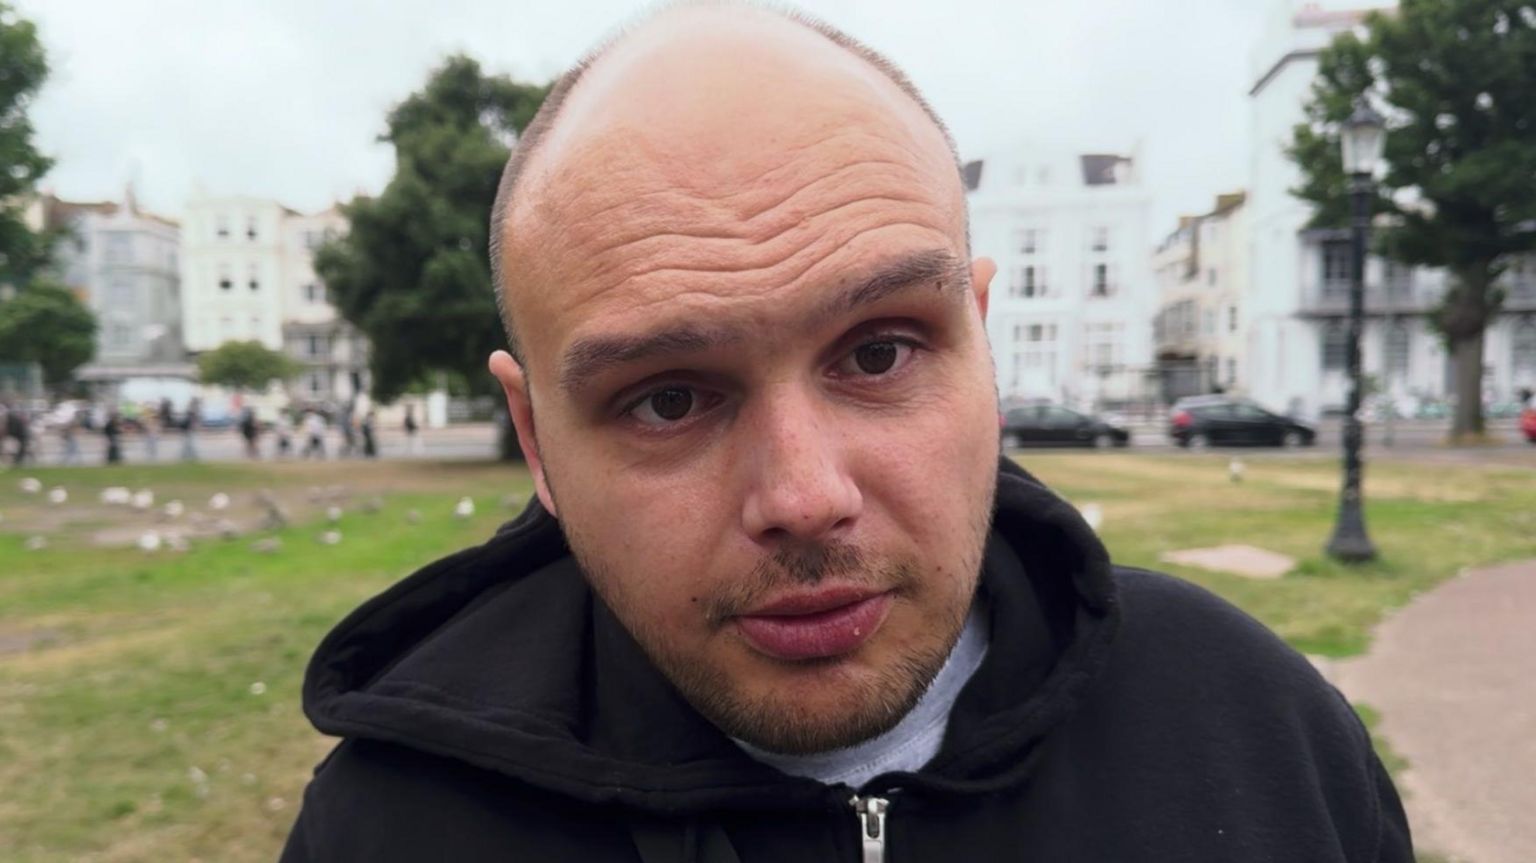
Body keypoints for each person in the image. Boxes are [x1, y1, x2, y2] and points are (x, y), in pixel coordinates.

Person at [281, 7, 1413, 862]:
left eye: (879, 352)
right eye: (668, 397)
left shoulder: (1255, 728)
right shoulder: (393, 826)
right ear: (536, 441)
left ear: (980, 340)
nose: (805, 493)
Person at [180, 397, 201, 461]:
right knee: (189, 444)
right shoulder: (192, 411)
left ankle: (185, 456)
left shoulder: (191, 410)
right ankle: (192, 456)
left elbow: (193, 421)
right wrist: (194, 427)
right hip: (189, 430)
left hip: (188, 430)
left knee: (188, 444)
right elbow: (192, 422)